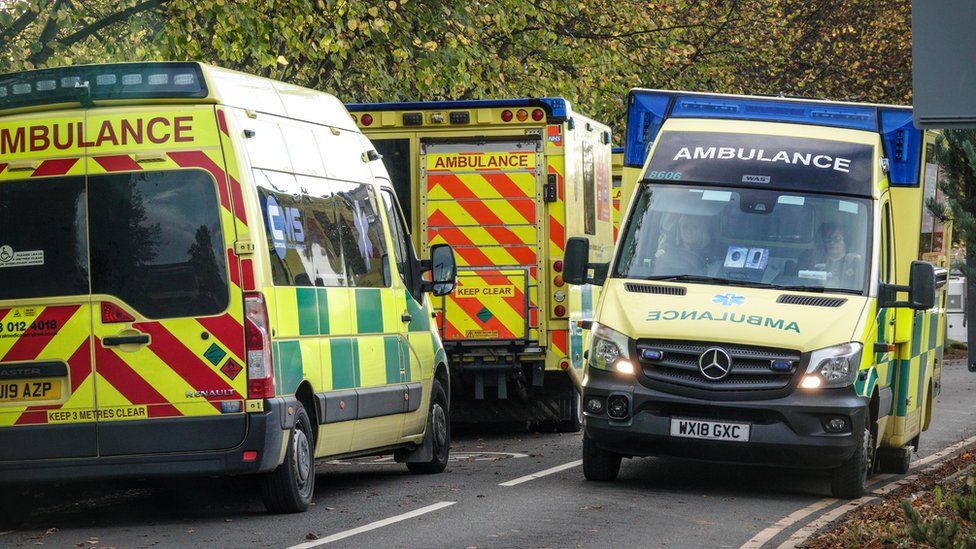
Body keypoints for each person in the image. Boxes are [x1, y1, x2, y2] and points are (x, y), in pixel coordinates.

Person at [799, 222, 863, 289]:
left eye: (837, 239)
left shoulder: (854, 262)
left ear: (846, 241)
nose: (832, 242)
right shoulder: (811, 260)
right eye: (828, 239)